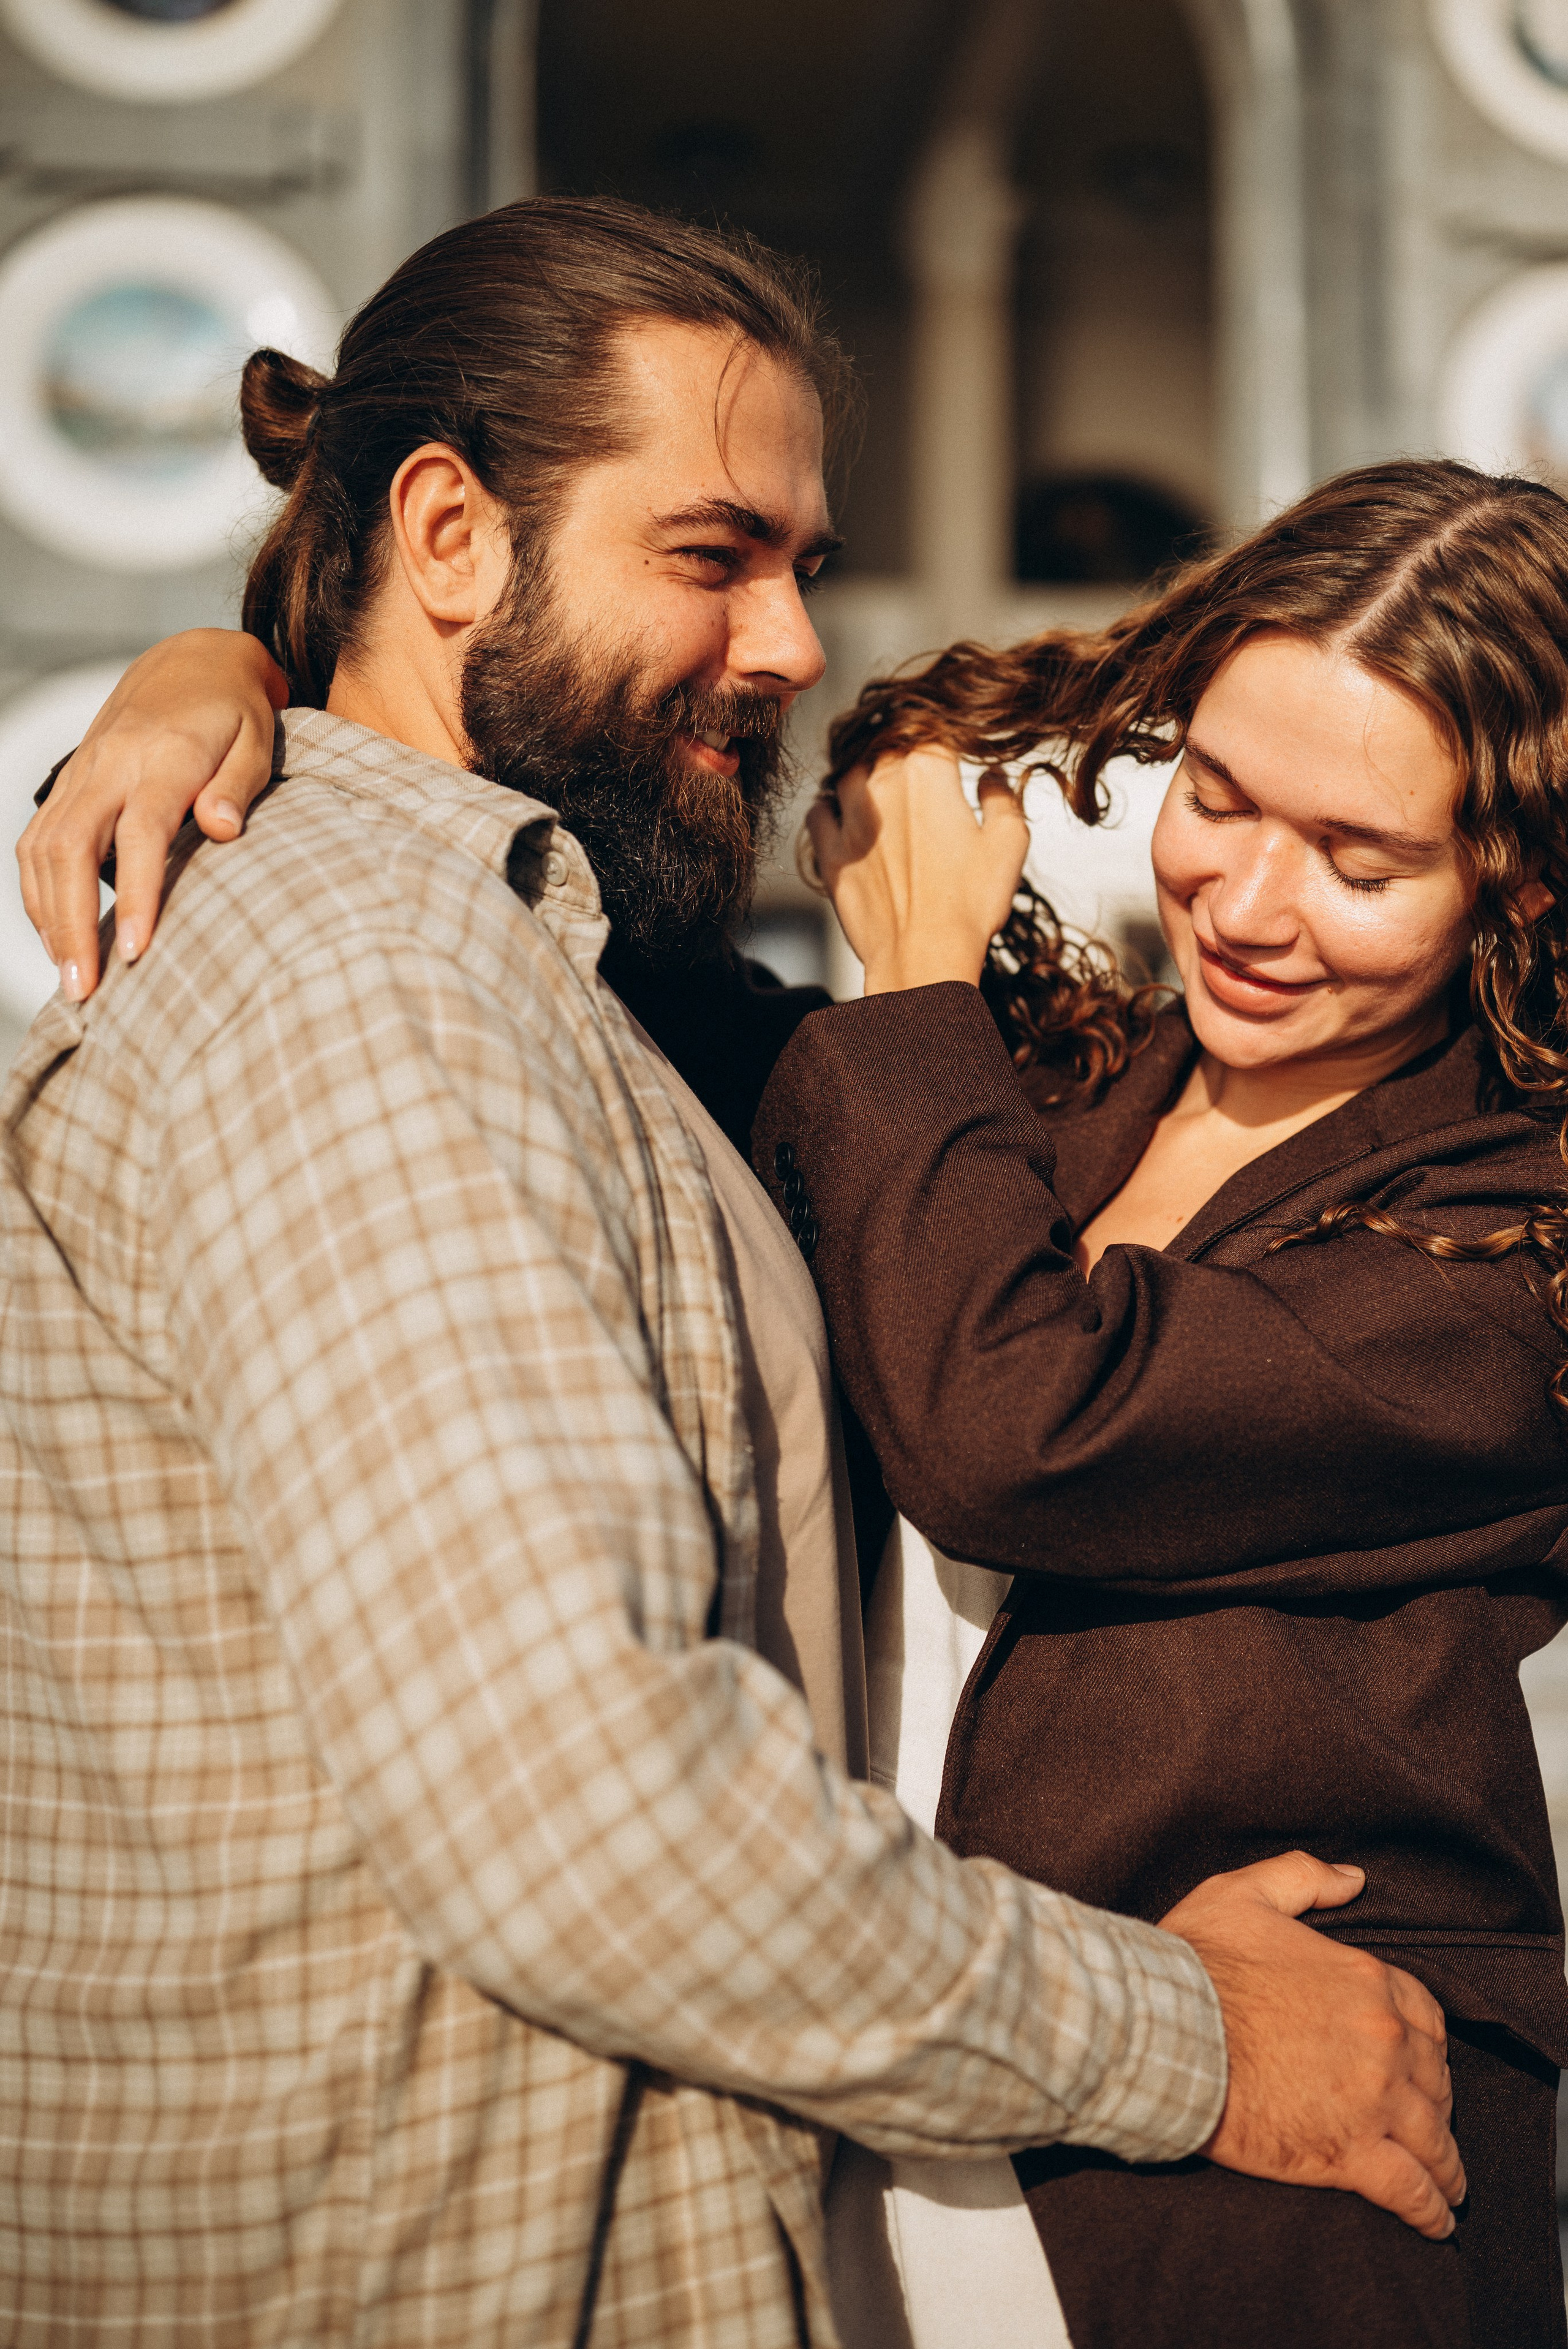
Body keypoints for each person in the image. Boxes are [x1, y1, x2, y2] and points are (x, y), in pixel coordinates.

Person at [7, 202, 1463, 2348]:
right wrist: (1207, 2039)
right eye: (714, 555)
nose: (794, 639)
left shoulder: (558, 975)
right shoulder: (372, 997)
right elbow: (585, 1821)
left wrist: (219, 667)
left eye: (801, 557)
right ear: (446, 533)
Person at [748, 456, 1568, 2346]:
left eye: (1359, 859)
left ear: (1512, 871)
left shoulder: (1517, 1255)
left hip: (1283, 2189)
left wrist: (922, 973)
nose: (1249, 902)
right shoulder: (1063, 1085)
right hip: (933, 2105)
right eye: (1217, 793)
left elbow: (1013, 1430)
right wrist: (246, 689)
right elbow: (639, 1026)